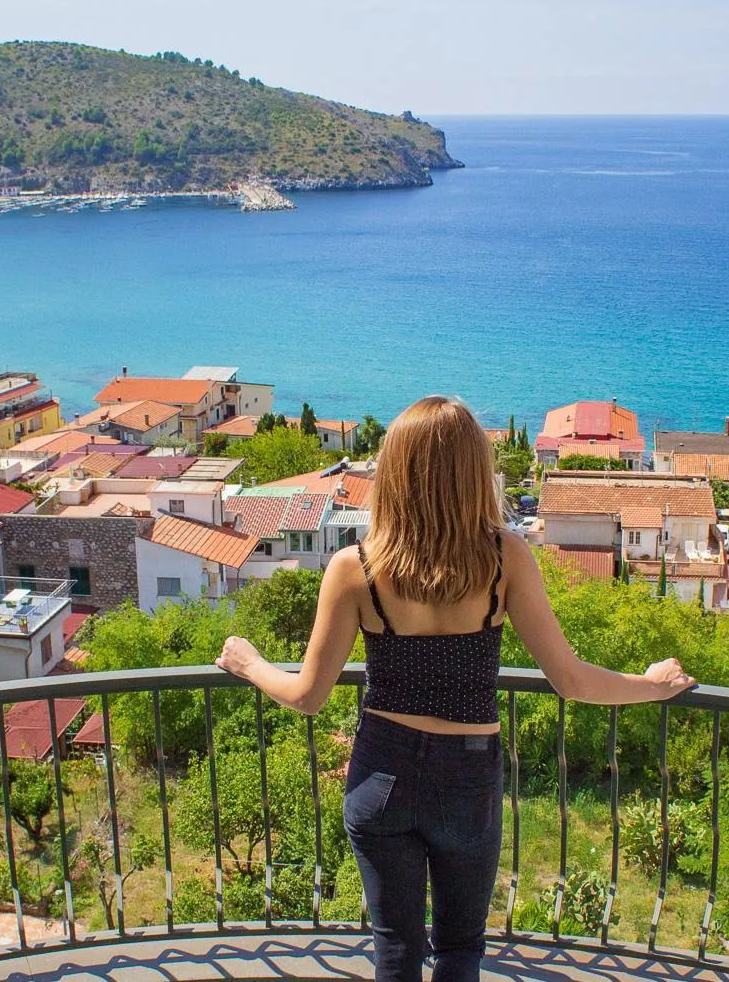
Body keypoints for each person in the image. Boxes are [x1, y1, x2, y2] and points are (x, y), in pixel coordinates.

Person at [215, 395, 696, 982]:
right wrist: (650, 685)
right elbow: (570, 680)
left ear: (394, 472)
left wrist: (251, 663)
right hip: (466, 779)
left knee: (395, 949)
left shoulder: (356, 567)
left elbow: (308, 696)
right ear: (474, 473)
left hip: (381, 772)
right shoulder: (503, 559)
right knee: (460, 949)